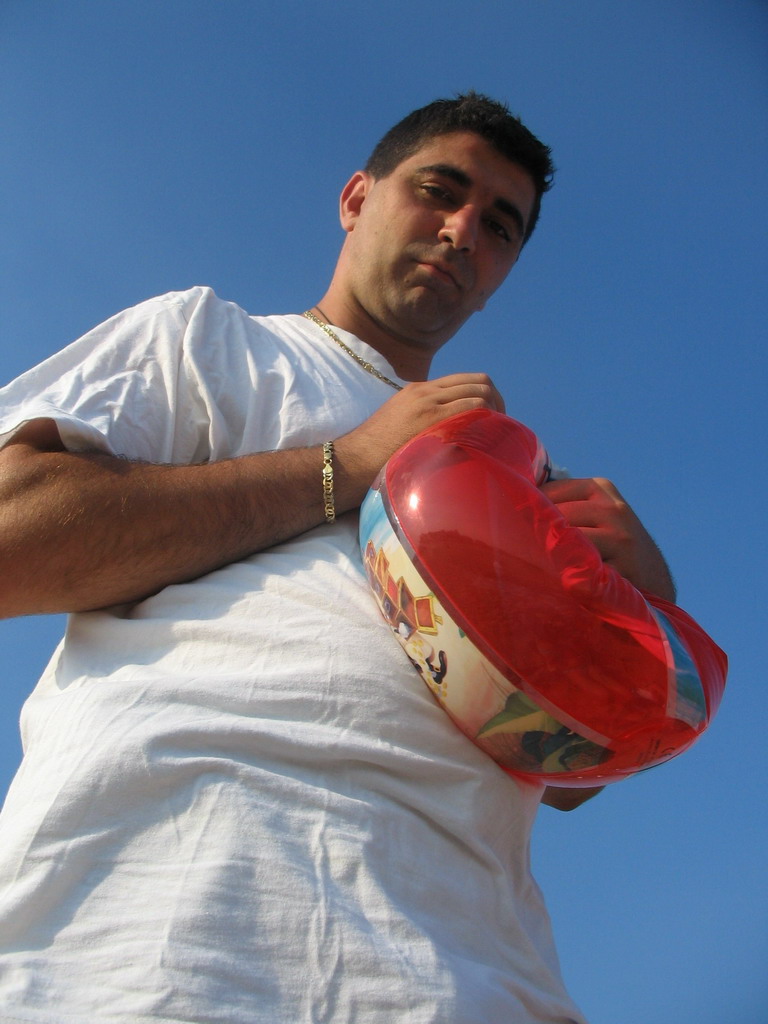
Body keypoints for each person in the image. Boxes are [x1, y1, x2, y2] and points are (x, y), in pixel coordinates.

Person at [0, 93, 674, 1023]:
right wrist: (351, 463)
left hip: (476, 974)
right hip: (158, 939)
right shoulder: (208, 338)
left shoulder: (520, 480)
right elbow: (12, 541)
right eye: (439, 191)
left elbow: (563, 777)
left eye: (500, 226)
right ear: (357, 198)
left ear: (504, 271)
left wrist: (642, 618)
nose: (462, 230)